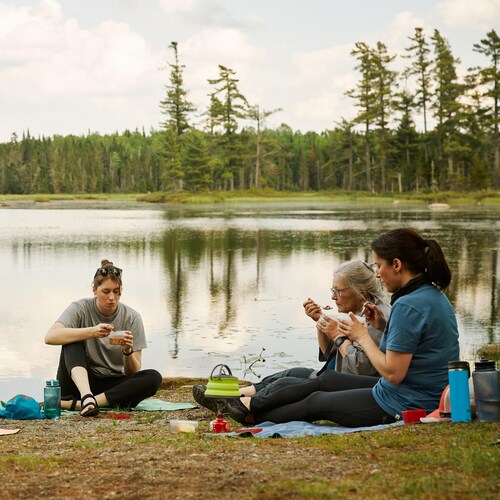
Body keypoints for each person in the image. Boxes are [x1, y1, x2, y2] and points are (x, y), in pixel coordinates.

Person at [223, 228, 459, 427]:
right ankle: (246, 403)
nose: (377, 273)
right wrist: (384, 325)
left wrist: (362, 336)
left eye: (379, 265)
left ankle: (251, 414)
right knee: (325, 380)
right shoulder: (429, 294)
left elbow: (393, 373)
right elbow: (417, 344)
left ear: (396, 264)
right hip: (413, 392)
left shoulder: (409, 303)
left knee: (315, 402)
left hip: (407, 403)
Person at [193, 259, 390, 412]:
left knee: (290, 383)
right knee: (291, 373)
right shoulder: (362, 312)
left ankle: (233, 404)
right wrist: (320, 323)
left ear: (360, 291)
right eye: (332, 290)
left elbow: (361, 369)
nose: (332, 297)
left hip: (353, 386)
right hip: (339, 377)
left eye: (338, 290)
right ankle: (227, 395)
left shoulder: (376, 317)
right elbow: (329, 353)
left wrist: (337, 335)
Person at [44, 259, 162, 416]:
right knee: (71, 341)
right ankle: (86, 397)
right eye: (106, 292)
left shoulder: (132, 317)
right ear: (94, 290)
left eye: (116, 291)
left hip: (112, 387)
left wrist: (127, 351)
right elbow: (50, 337)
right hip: (80, 383)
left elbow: (132, 371)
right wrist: (92, 332)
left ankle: (84, 404)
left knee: (153, 377)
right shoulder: (80, 308)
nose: (112, 297)